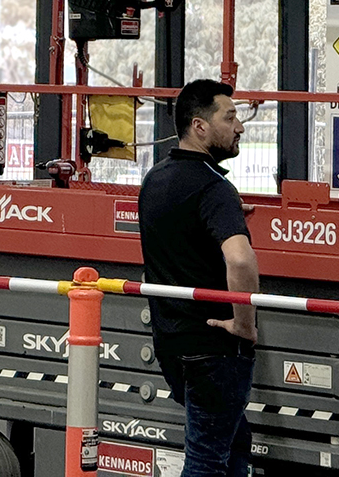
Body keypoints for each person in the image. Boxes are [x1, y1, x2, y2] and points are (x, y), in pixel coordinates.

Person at [138, 79, 259, 477]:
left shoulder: (154, 181)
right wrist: (245, 325)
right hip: (214, 347)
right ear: (200, 126)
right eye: (230, 116)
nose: (239, 125)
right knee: (206, 461)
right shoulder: (214, 187)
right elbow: (239, 261)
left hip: (172, 343)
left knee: (233, 443)